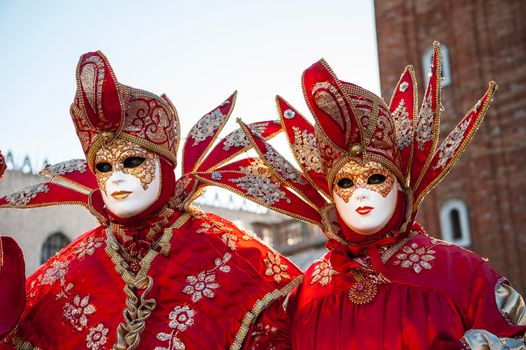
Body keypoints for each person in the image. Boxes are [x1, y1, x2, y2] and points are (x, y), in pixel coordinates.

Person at [203, 42, 526, 349]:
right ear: (330, 196)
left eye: (374, 178)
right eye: (345, 183)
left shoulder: (463, 273)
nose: (360, 193)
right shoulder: (304, 292)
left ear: (401, 186)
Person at [0, 51, 301, 349]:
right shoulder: (69, 271)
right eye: (104, 167)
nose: (116, 178)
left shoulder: (227, 254)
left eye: (132, 162)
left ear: (164, 168)